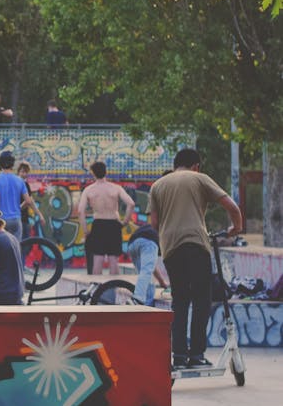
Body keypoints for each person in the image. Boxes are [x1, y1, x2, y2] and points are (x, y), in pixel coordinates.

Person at [150, 148, 243, 368]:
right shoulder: (199, 179)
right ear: (196, 166)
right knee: (202, 299)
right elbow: (232, 206)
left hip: (170, 248)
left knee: (180, 300)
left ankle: (179, 356)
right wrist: (235, 228)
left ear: (175, 165)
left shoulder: (158, 185)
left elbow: (154, 224)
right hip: (195, 243)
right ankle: (197, 355)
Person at [76, 161, 135, 275]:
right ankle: (114, 288)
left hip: (98, 224)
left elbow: (80, 211)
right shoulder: (116, 188)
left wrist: (86, 230)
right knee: (114, 259)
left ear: (93, 173)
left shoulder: (89, 190)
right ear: (106, 172)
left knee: (98, 259)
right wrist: (125, 222)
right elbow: (131, 204)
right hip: (114, 223)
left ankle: (96, 288)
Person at [0, 152, 34, 239]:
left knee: (1, 247)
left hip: (2, 220)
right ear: (12, 164)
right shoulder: (19, 180)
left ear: (0, 163)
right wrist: (18, 208)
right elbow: (28, 201)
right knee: (15, 248)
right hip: (16, 220)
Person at [126, 222, 169, 305]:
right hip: (148, 242)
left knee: (146, 275)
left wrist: (161, 282)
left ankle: (146, 305)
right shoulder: (165, 233)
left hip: (132, 244)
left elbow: (152, 267)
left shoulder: (154, 226)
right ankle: (138, 299)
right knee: (146, 271)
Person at [16, 161, 45, 243]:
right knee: (24, 244)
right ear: (18, 172)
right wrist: (19, 208)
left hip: (20, 218)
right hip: (21, 220)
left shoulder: (23, 184)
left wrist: (40, 215)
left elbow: (30, 201)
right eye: (22, 172)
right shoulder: (23, 184)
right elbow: (28, 201)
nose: (24, 174)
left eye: (26, 172)